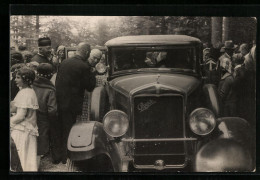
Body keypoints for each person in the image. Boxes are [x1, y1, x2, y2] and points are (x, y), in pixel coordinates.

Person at [55, 42, 96, 163]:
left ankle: (62, 156)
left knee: (62, 128)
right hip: (73, 103)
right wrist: (92, 72)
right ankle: (68, 157)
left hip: (60, 100)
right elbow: (90, 87)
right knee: (70, 129)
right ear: (87, 52)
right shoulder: (84, 66)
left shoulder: (64, 62)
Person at [10, 67, 39, 171]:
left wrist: (10, 122)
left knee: (20, 159)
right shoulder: (29, 91)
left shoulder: (25, 93)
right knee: (27, 159)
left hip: (22, 130)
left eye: (18, 78)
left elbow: (20, 116)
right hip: (28, 129)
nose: (15, 80)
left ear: (26, 80)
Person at [32, 63, 58, 165]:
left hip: (31, 115)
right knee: (42, 137)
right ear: (51, 75)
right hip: (44, 118)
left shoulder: (31, 85)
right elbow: (52, 110)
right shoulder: (50, 90)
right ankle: (38, 160)